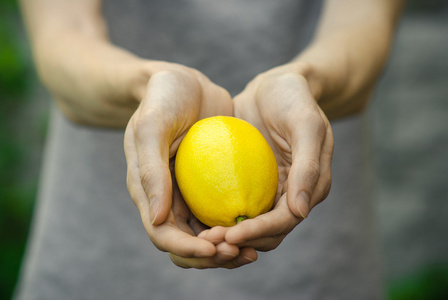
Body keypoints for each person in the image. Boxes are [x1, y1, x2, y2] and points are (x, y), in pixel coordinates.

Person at [15, 0, 405, 299]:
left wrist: (307, 81)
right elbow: (64, 35)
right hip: (97, 259)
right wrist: (147, 85)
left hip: (317, 259)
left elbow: (362, 25)